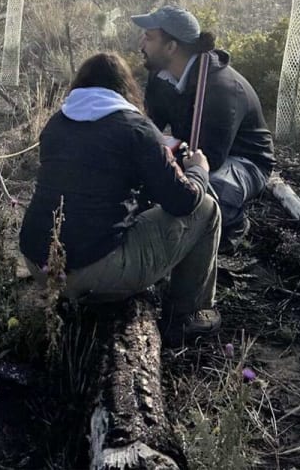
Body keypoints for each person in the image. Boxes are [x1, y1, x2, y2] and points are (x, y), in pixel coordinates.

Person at [19, 52, 222, 345]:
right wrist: (198, 171)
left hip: (39, 264)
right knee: (207, 209)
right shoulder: (135, 127)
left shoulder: (56, 124)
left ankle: (73, 297)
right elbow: (182, 202)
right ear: (126, 88)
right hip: (94, 271)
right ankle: (187, 315)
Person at [135, 7, 275, 251]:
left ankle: (233, 223)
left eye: (149, 37)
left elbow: (212, 158)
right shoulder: (159, 76)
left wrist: (168, 170)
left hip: (243, 160)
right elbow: (149, 129)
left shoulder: (221, 89)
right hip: (193, 149)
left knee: (209, 194)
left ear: (171, 47)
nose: (141, 43)